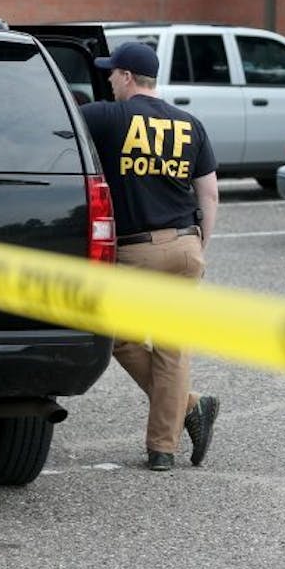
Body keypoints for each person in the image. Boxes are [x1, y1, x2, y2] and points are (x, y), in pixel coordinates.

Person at [80, 41, 222, 471]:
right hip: (185, 244)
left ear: (126, 77)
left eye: (111, 74)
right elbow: (209, 192)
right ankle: (164, 448)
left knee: (118, 336)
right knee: (171, 348)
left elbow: (56, 122)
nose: (108, 81)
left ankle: (188, 408)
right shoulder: (190, 124)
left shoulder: (108, 115)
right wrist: (199, 246)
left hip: (135, 251)